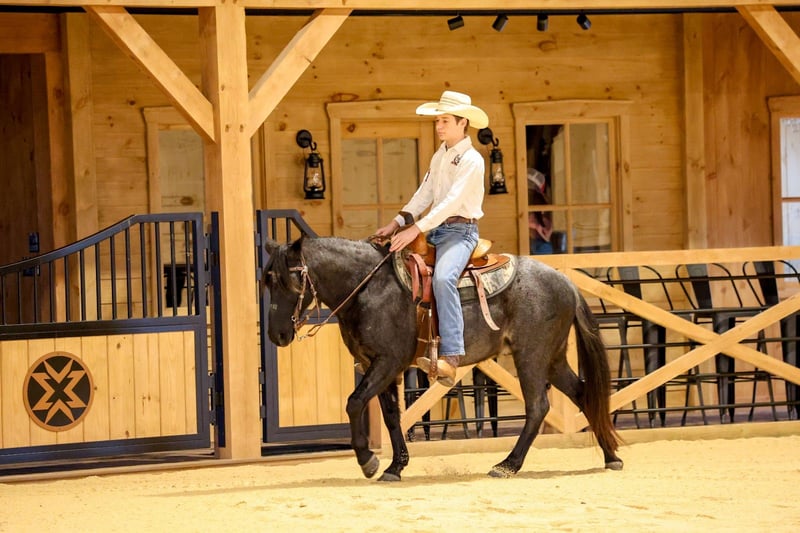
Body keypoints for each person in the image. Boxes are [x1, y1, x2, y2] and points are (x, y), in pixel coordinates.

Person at [375, 90, 488, 387]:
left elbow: (451, 202)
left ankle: (451, 355)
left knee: (443, 279)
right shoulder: (441, 155)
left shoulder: (472, 160)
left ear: (463, 123)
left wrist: (414, 229)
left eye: (445, 121)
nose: (439, 126)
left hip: (461, 233)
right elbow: (424, 194)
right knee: (398, 274)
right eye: (437, 121)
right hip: (437, 231)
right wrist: (397, 222)